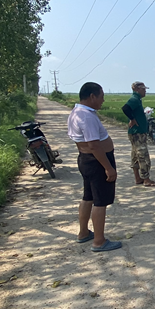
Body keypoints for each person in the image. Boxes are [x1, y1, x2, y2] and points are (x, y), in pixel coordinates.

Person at [66, 82, 122, 252]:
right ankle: (99, 241)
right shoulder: (87, 117)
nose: (103, 100)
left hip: (86, 160)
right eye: (101, 96)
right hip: (97, 161)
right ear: (92, 96)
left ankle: (83, 232)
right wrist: (108, 168)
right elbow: (94, 145)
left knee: (88, 197)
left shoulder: (76, 112)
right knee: (100, 201)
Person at [121, 81, 155, 187]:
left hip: (136, 132)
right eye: (143, 89)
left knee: (135, 155)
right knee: (143, 156)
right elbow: (125, 108)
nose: (145, 91)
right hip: (137, 132)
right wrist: (132, 119)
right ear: (137, 89)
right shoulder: (134, 99)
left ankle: (137, 178)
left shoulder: (137, 99)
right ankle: (146, 179)